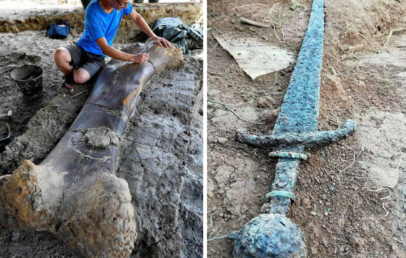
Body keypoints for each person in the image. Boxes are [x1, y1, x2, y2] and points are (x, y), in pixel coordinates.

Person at [54, 0, 170, 86]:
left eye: (126, 3)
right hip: (81, 48)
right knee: (59, 54)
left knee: (79, 78)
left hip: (97, 57)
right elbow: (105, 48)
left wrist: (153, 36)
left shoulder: (120, 4)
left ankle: (79, 71)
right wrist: (133, 58)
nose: (126, 6)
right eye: (123, 3)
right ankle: (70, 75)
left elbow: (137, 18)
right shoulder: (93, 11)